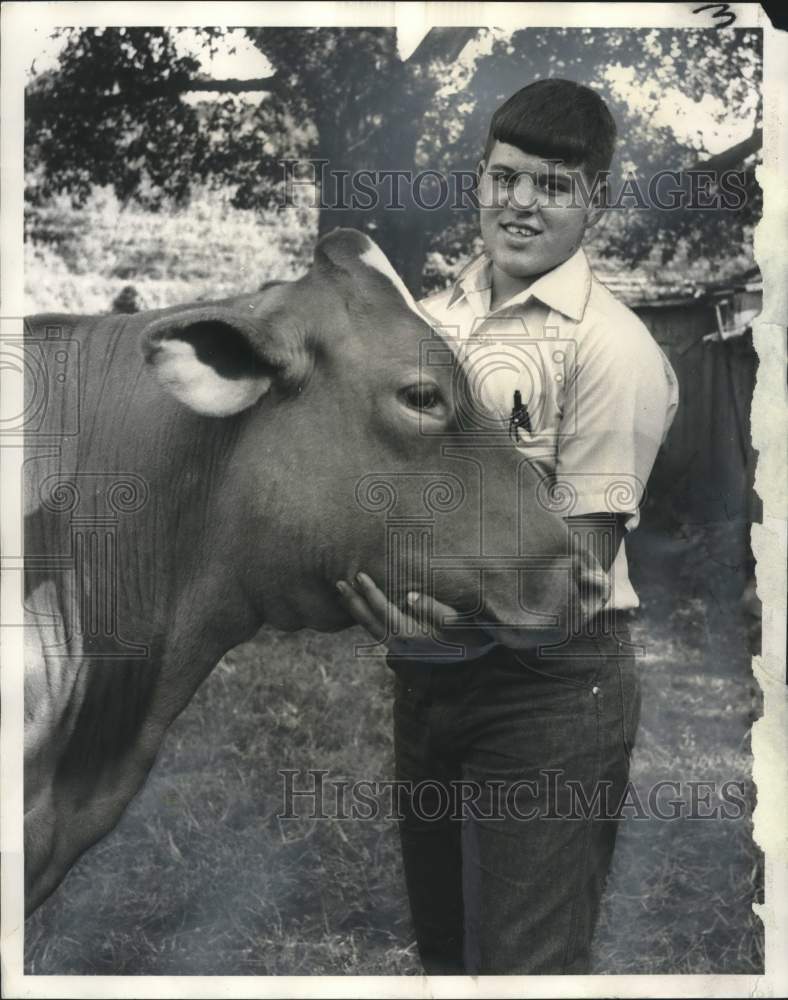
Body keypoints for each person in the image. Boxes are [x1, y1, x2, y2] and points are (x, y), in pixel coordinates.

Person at [337, 78, 679, 974]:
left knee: (524, 968)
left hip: (551, 690)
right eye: (506, 176)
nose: (522, 202)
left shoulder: (613, 348)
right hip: (430, 678)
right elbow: (388, 491)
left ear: (596, 200)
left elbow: (575, 574)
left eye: (554, 185)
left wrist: (434, 617)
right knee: (448, 959)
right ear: (480, 178)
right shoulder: (432, 321)